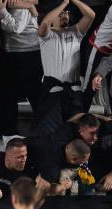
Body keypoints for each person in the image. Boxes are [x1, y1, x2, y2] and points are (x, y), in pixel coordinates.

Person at [34, 0, 95, 133]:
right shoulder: (46, 36)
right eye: (61, 13)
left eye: (67, 12)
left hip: (74, 92)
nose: (65, 15)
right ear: (52, 15)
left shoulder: (76, 32)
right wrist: (62, 4)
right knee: (47, 132)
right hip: (52, 92)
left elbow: (90, 15)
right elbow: (44, 24)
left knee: (77, 131)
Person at [0, 0, 43, 134]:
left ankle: (42, 131)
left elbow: (15, 28)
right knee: (9, 95)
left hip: (25, 53)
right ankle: (8, 133)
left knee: (31, 94)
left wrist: (2, 9)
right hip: (15, 51)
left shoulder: (21, 4)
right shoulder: (20, 3)